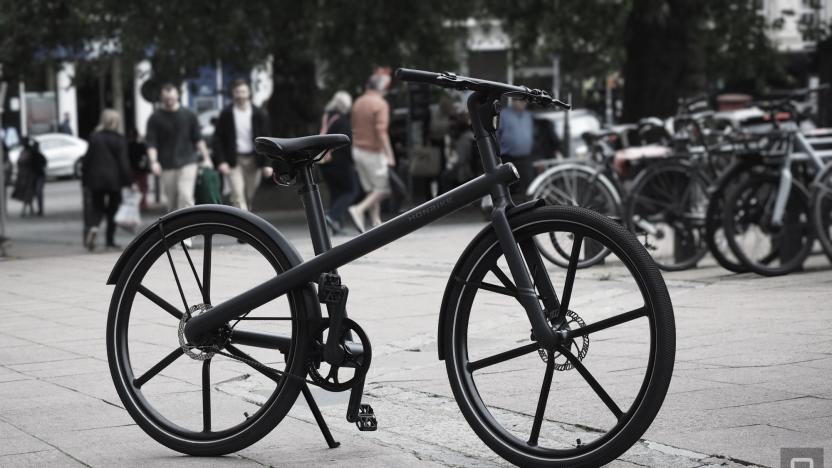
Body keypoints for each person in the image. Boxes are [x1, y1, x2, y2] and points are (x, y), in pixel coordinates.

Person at [145, 83, 213, 214]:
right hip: (166, 164)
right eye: (166, 98)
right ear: (162, 98)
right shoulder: (155, 118)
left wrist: (206, 158)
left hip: (188, 161)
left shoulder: (189, 115)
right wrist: (154, 162)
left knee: (185, 195)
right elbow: (151, 143)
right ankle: (175, 232)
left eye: (171, 97)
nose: (169, 101)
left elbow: (198, 138)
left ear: (178, 96)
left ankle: (189, 233)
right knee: (171, 202)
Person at [213, 79, 273, 211]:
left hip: (254, 159)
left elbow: (268, 139)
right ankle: (243, 223)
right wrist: (221, 161)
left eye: (243, 92)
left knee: (249, 195)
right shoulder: (226, 114)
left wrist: (267, 164)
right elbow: (217, 138)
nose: (240, 95)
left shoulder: (259, 114)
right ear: (233, 94)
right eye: (237, 92)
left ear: (249, 93)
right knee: (237, 195)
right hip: (234, 160)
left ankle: (245, 219)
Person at [347, 73, 395, 232]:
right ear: (382, 87)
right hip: (373, 152)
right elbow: (381, 131)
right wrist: (390, 155)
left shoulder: (358, 102)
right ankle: (358, 210)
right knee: (383, 189)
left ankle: (376, 221)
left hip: (357, 150)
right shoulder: (380, 104)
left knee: (372, 189)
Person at [82, 109, 132, 251]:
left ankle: (93, 228)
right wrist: (129, 181)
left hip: (95, 180)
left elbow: (87, 160)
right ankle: (110, 241)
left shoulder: (95, 137)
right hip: (114, 181)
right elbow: (123, 162)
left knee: (96, 207)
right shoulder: (119, 139)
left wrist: (85, 179)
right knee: (113, 210)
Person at [317, 91, 358, 234]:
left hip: (324, 163)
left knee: (336, 194)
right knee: (351, 191)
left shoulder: (326, 117)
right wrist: (354, 162)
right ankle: (332, 216)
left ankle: (336, 227)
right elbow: (347, 143)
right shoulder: (342, 121)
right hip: (340, 163)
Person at [497, 98, 535, 198]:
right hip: (508, 157)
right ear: (513, 101)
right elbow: (497, 135)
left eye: (524, 101)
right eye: (520, 100)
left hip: (525, 157)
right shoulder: (504, 114)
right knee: (509, 188)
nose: (522, 103)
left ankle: (529, 210)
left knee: (529, 186)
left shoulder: (527, 115)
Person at [11, 137, 46, 217]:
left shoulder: (31, 152)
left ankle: (31, 210)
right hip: (28, 175)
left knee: (33, 192)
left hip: (33, 175)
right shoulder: (25, 151)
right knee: (29, 193)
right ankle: (32, 210)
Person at [127, 128, 150, 211]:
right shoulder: (141, 144)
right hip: (141, 169)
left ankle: (135, 203)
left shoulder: (128, 145)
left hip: (132, 168)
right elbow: (146, 156)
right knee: (143, 187)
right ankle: (143, 203)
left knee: (134, 187)